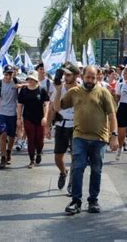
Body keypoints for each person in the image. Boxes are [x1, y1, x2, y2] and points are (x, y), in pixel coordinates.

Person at [54, 65, 118, 215]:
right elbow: (57, 107)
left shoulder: (104, 93)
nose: (90, 80)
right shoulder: (74, 92)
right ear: (82, 76)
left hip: (99, 139)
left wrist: (114, 136)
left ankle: (93, 201)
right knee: (77, 168)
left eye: (93, 77)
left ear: (97, 78)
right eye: (88, 77)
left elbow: (112, 115)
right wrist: (58, 90)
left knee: (96, 170)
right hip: (79, 137)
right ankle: (76, 201)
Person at [50, 63, 79, 192]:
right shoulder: (60, 88)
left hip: (76, 125)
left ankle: (72, 182)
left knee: (75, 157)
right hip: (61, 124)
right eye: (64, 75)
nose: (65, 77)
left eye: (68, 75)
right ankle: (63, 172)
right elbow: (55, 108)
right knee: (57, 157)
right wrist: (57, 90)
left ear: (75, 75)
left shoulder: (81, 89)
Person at [16, 70, 49, 168]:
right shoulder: (24, 90)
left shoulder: (42, 90)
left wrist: (45, 117)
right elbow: (20, 104)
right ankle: (32, 160)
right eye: (29, 79)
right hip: (28, 118)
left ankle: (38, 152)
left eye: (32, 79)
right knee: (31, 139)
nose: (30, 81)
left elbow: (46, 104)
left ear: (36, 80)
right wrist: (18, 118)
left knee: (39, 139)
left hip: (39, 118)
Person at [0, 65, 20, 169]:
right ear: (3, 74)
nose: (8, 76)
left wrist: (20, 85)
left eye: (10, 74)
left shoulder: (16, 81)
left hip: (13, 113)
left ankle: (9, 151)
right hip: (2, 113)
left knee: (12, 136)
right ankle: (3, 157)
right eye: (6, 74)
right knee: (3, 134)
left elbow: (31, 83)